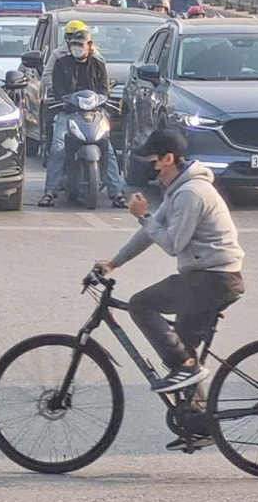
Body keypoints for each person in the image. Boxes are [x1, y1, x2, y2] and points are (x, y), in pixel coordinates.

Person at [93, 128, 245, 405]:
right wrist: (114, 263)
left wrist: (143, 217)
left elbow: (172, 244)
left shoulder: (191, 193)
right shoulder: (178, 191)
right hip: (205, 277)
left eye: (152, 162)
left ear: (168, 159)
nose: (150, 170)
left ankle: (189, 367)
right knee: (178, 351)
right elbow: (149, 232)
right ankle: (197, 422)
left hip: (214, 279)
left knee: (141, 305)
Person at [40, 22, 126, 208]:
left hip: (95, 113)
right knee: (58, 147)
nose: (78, 48)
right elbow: (57, 87)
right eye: (74, 45)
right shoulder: (61, 62)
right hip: (68, 112)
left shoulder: (98, 63)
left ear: (90, 46)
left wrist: (100, 100)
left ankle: (117, 193)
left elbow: (104, 89)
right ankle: (50, 191)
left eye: (82, 44)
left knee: (108, 150)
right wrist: (66, 99)